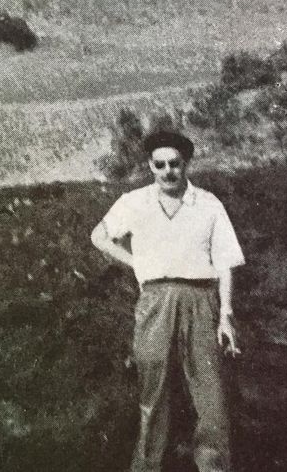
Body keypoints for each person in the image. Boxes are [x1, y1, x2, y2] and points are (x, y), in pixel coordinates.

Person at [91, 131, 245, 472]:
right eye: (159, 165)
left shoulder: (208, 203)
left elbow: (225, 261)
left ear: (186, 163)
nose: (167, 172)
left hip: (201, 300)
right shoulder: (135, 201)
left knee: (211, 397)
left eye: (174, 164)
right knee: (153, 394)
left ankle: (214, 468)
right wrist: (138, 264)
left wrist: (226, 314)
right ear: (150, 166)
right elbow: (99, 236)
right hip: (156, 302)